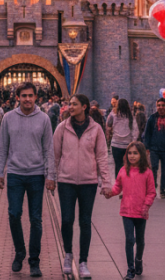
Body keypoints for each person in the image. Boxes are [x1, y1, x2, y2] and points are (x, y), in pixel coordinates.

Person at [0, 82, 56, 277]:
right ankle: (20, 251)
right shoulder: (8, 118)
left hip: (36, 175)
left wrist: (50, 175)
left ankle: (34, 260)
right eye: (24, 96)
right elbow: (2, 146)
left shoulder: (44, 119)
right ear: (18, 98)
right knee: (14, 214)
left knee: (36, 219)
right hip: (15, 173)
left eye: (30, 95)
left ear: (36, 97)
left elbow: (49, 149)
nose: (27, 99)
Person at [53, 93, 111, 279]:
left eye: (74, 104)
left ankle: (83, 261)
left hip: (88, 182)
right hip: (66, 181)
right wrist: (51, 177)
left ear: (84, 107)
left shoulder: (96, 130)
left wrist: (106, 182)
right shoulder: (62, 128)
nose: (70, 107)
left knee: (85, 222)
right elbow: (54, 155)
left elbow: (102, 156)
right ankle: (68, 255)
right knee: (67, 220)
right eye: (69, 104)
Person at [107, 141, 155, 280]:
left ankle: (138, 259)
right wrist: (110, 192)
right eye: (130, 153)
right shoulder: (123, 170)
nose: (132, 156)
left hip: (141, 212)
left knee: (140, 240)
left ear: (142, 155)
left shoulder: (147, 172)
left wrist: (146, 206)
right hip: (126, 211)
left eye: (135, 153)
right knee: (129, 239)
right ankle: (130, 269)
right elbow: (117, 187)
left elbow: (151, 192)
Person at [143, 98, 165, 198]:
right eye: (159, 105)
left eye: (163, 105)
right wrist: (147, 147)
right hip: (154, 148)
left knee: (164, 170)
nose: (161, 107)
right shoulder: (151, 118)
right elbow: (147, 133)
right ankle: (153, 188)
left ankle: (162, 190)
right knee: (153, 168)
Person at [107, 99, 139, 179]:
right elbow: (136, 131)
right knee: (127, 165)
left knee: (117, 165)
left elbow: (108, 126)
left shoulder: (112, 115)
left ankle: (118, 184)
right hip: (127, 145)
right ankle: (127, 182)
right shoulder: (131, 117)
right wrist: (133, 142)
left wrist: (109, 138)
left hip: (115, 144)